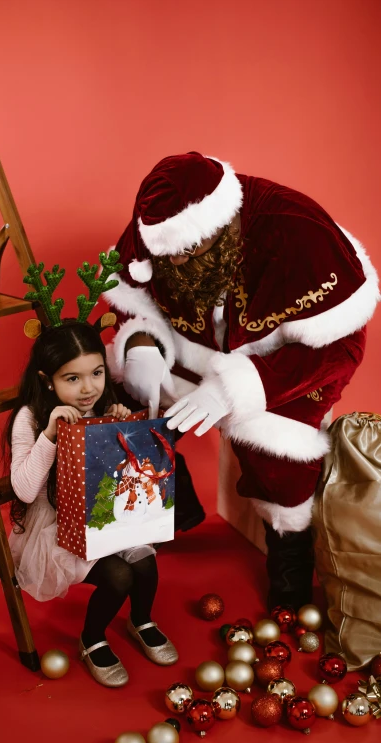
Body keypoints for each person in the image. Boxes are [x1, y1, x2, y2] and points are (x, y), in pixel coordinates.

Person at [104, 152, 379, 610]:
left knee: (281, 449)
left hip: (280, 360)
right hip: (193, 346)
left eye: (194, 250)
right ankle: (170, 505)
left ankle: (289, 556)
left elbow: (342, 347)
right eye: (170, 256)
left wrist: (238, 387)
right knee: (114, 397)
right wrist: (141, 346)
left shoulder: (296, 230)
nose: (182, 261)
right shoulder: (148, 235)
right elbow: (129, 302)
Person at [4, 319, 178, 688]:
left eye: (96, 373)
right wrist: (50, 435)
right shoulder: (31, 417)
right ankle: (92, 637)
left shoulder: (105, 402)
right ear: (48, 379)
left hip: (102, 513)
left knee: (145, 562)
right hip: (55, 521)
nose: (88, 389)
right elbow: (23, 489)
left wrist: (121, 426)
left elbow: (120, 470)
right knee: (119, 576)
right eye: (72, 379)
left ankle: (141, 619)